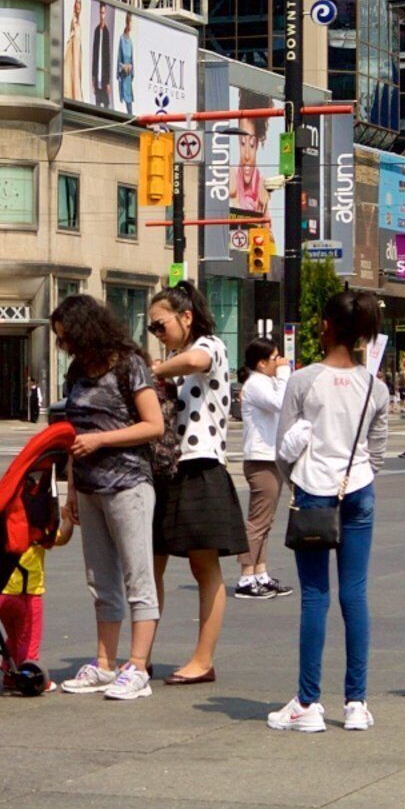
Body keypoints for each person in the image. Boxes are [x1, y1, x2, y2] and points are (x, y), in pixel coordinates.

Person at [268, 289, 386, 734]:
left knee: (315, 596)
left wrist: (301, 474)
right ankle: (356, 702)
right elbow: (377, 452)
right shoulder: (375, 386)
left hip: (315, 491)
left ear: (326, 327)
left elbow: (283, 450)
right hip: (358, 489)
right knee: (354, 595)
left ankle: (308, 702)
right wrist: (357, 476)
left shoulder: (303, 381)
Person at [47, 292, 166, 700]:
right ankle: (104, 663)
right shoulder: (77, 371)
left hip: (128, 481)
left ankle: (137, 666)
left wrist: (102, 440)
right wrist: (71, 493)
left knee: (137, 575)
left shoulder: (129, 364)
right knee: (100, 580)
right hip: (89, 484)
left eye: (67, 338)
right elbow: (71, 436)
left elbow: (154, 425)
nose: (65, 347)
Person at [142, 283, 238, 686]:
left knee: (204, 565)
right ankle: (139, 655)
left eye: (159, 326)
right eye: (151, 329)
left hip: (200, 466)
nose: (157, 334)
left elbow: (196, 360)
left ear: (186, 317)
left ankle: (203, 659)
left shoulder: (210, 346)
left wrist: (154, 369)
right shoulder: (174, 358)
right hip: (166, 469)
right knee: (150, 566)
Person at [234, 340, 291, 600]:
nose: (279, 361)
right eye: (275, 357)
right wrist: (285, 372)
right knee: (258, 521)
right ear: (261, 362)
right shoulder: (256, 383)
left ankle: (260, 573)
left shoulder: (263, 382)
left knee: (265, 520)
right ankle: (246, 576)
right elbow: (280, 402)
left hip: (270, 456)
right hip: (260, 459)